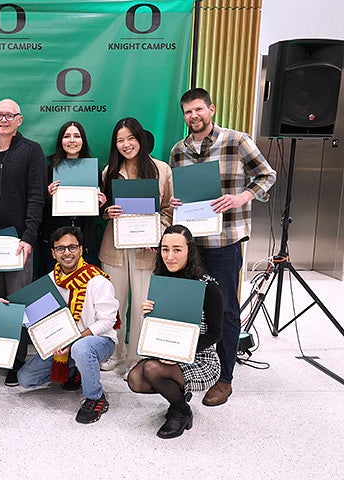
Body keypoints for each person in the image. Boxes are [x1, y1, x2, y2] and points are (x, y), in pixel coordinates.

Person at [170, 88, 276, 406]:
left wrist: (241, 197)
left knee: (227, 308)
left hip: (225, 241)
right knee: (189, 308)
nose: (194, 116)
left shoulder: (237, 140)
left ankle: (225, 378)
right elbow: (183, 193)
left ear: (211, 109)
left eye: (199, 109)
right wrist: (176, 202)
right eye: (188, 112)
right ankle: (192, 370)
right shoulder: (178, 151)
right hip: (191, 243)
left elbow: (267, 175)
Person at [0, 98, 47, 386]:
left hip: (18, 244)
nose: (4, 120)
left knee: (18, 303)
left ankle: (17, 362)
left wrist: (29, 237)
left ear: (19, 120)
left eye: (10, 115)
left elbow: (36, 197)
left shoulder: (32, 151)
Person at [127, 225, 223, 438]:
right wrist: (149, 315)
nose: (170, 256)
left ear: (190, 250)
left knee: (152, 370)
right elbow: (162, 331)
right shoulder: (161, 282)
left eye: (177, 249)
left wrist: (180, 355)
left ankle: (181, 411)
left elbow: (216, 333)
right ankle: (178, 398)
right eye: (165, 249)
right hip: (169, 352)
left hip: (200, 358)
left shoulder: (208, 287)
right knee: (134, 379)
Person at [17, 226, 119, 424]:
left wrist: (75, 340)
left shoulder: (97, 280)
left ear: (81, 250)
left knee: (81, 348)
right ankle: (76, 370)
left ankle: (95, 398)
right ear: (53, 253)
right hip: (62, 343)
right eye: (61, 249)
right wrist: (13, 311)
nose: (67, 253)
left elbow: (108, 321)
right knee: (25, 378)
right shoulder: (49, 280)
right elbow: (35, 314)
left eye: (72, 247)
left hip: (98, 341)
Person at [98, 117, 173, 373]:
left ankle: (137, 359)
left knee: (143, 305)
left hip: (147, 250)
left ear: (140, 139)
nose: (126, 144)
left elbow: (168, 211)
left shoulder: (161, 170)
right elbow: (102, 209)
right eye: (120, 140)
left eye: (131, 138)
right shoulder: (109, 171)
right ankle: (115, 353)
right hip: (114, 248)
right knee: (114, 304)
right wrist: (108, 212)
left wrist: (157, 235)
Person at [39, 121, 105, 274]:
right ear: (60, 141)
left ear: (83, 141)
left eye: (77, 136)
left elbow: (100, 212)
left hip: (85, 241)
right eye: (67, 136)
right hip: (54, 238)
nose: (72, 140)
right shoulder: (49, 168)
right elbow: (37, 205)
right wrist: (47, 195)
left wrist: (100, 203)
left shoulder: (94, 169)